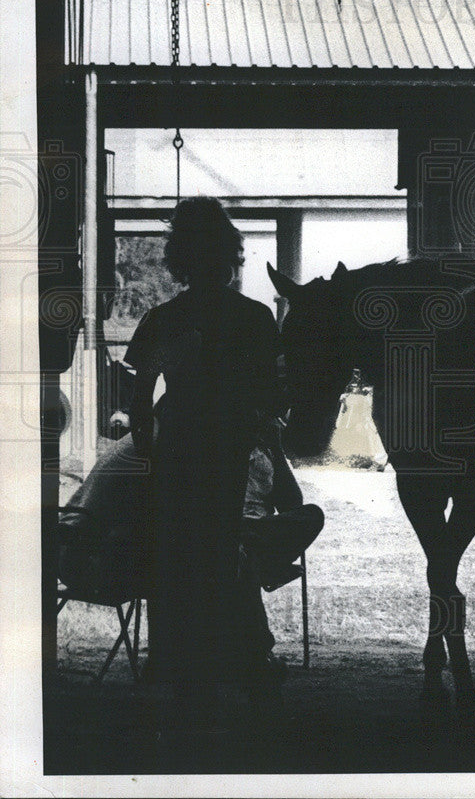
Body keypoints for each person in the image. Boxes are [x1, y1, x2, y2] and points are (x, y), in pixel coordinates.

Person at [125, 197, 284, 720]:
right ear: (230, 257)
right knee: (220, 556)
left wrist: (148, 451)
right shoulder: (256, 318)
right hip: (226, 451)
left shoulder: (163, 318)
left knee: (173, 559)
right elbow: (270, 397)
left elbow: (139, 397)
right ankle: (231, 663)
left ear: (180, 261)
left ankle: (176, 665)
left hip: (176, 450)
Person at [236, 420, 325, 677]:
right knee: (244, 555)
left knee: (312, 515)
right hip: (225, 530)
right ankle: (260, 653)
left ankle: (265, 563)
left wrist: (275, 448)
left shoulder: (267, 448)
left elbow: (292, 503)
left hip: (259, 531)